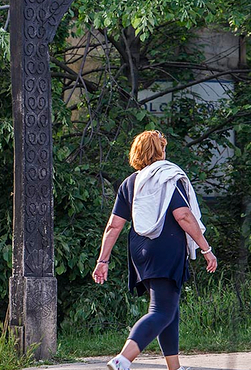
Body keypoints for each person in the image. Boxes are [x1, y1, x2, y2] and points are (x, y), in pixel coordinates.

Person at [92, 130, 218, 370]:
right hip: (165, 245)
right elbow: (183, 215)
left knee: (168, 308)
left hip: (140, 249)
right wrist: (206, 249)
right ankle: (123, 359)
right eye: (163, 147)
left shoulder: (131, 182)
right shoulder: (166, 178)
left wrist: (103, 260)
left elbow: (114, 225)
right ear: (159, 151)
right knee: (161, 309)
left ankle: (175, 367)